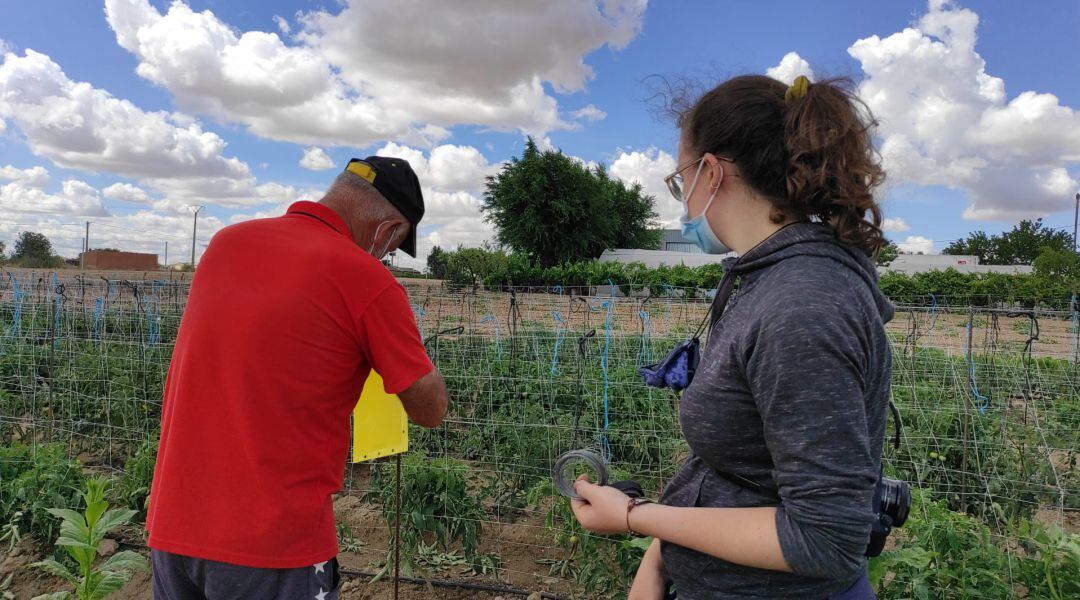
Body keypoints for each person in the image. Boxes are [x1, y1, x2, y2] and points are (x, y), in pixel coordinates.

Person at [570, 75, 893, 600]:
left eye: (680, 180)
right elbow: (731, 467)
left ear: (712, 173)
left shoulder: (801, 306)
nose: (682, 198)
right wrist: (656, 564)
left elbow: (825, 538)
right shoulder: (759, 281)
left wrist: (635, 517)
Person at [146, 157, 449, 599]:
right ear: (389, 231)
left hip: (173, 531)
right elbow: (430, 408)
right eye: (391, 248)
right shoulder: (366, 279)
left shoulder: (226, 244)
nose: (385, 256)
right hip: (271, 547)